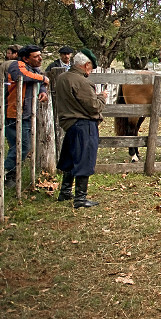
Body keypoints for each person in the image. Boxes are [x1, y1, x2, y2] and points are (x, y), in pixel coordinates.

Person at [54, 51, 108, 208]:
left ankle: (65, 192)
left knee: (71, 157)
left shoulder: (62, 78)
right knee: (85, 158)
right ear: (87, 65)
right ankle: (80, 198)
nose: (90, 72)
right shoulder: (82, 82)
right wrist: (102, 97)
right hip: (84, 124)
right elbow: (94, 107)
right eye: (91, 68)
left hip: (69, 123)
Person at [4, 45, 50, 190]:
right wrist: (43, 78)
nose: (40, 58)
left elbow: (39, 80)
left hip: (26, 113)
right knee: (22, 146)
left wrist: (42, 90)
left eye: (40, 55)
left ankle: (11, 174)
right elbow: (23, 76)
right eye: (36, 56)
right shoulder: (17, 65)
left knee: (18, 146)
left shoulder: (33, 68)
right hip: (15, 113)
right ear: (25, 58)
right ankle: (7, 172)